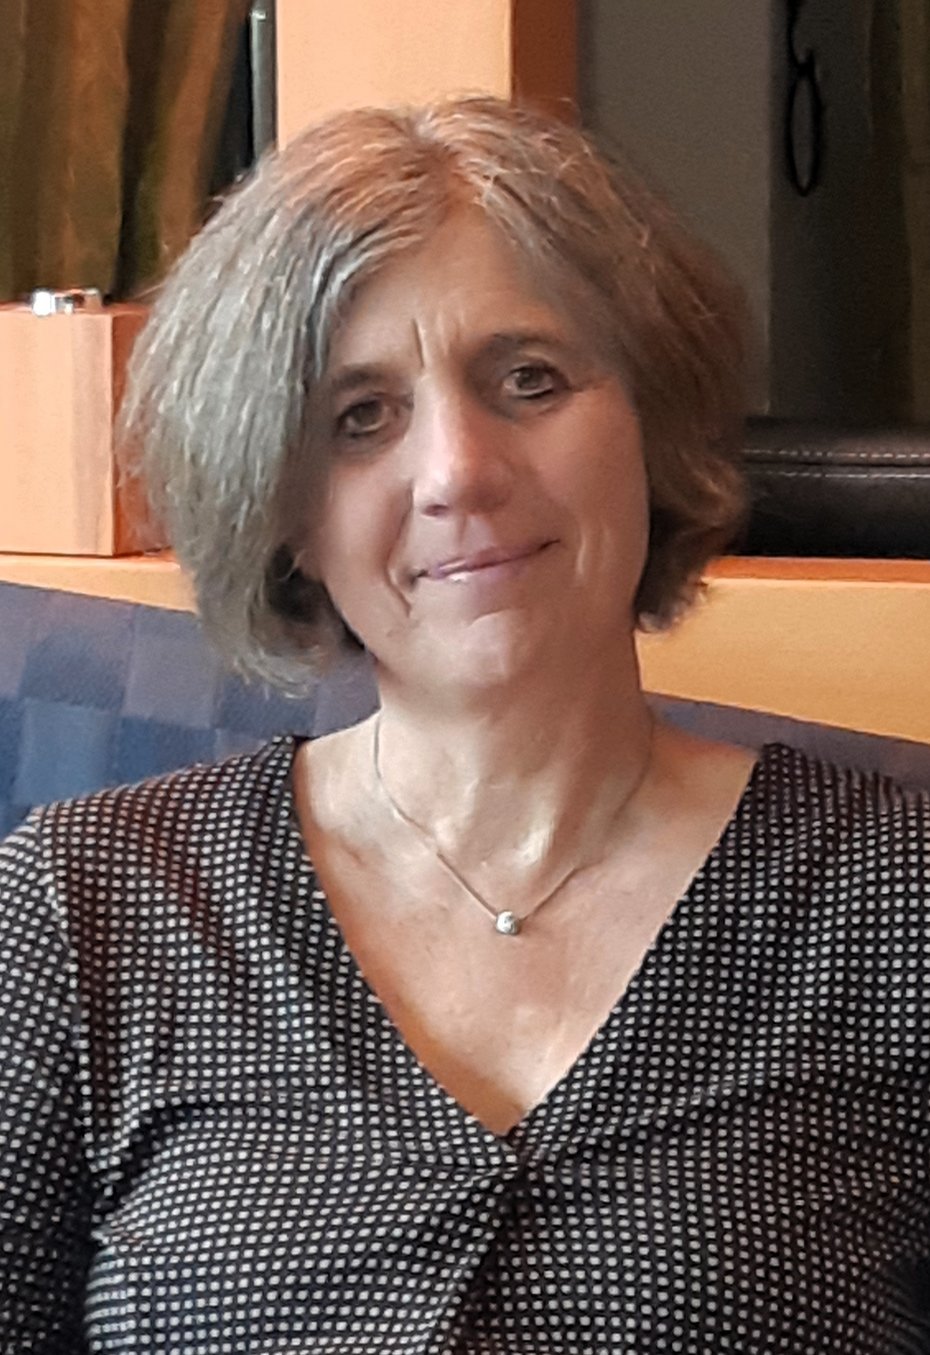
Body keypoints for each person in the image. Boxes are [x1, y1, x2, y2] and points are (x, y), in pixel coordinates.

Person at [1, 96, 927, 1354]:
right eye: (361, 416)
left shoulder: (896, 893)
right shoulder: (85, 906)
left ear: (650, 419)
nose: (458, 472)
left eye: (528, 379)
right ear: (284, 508)